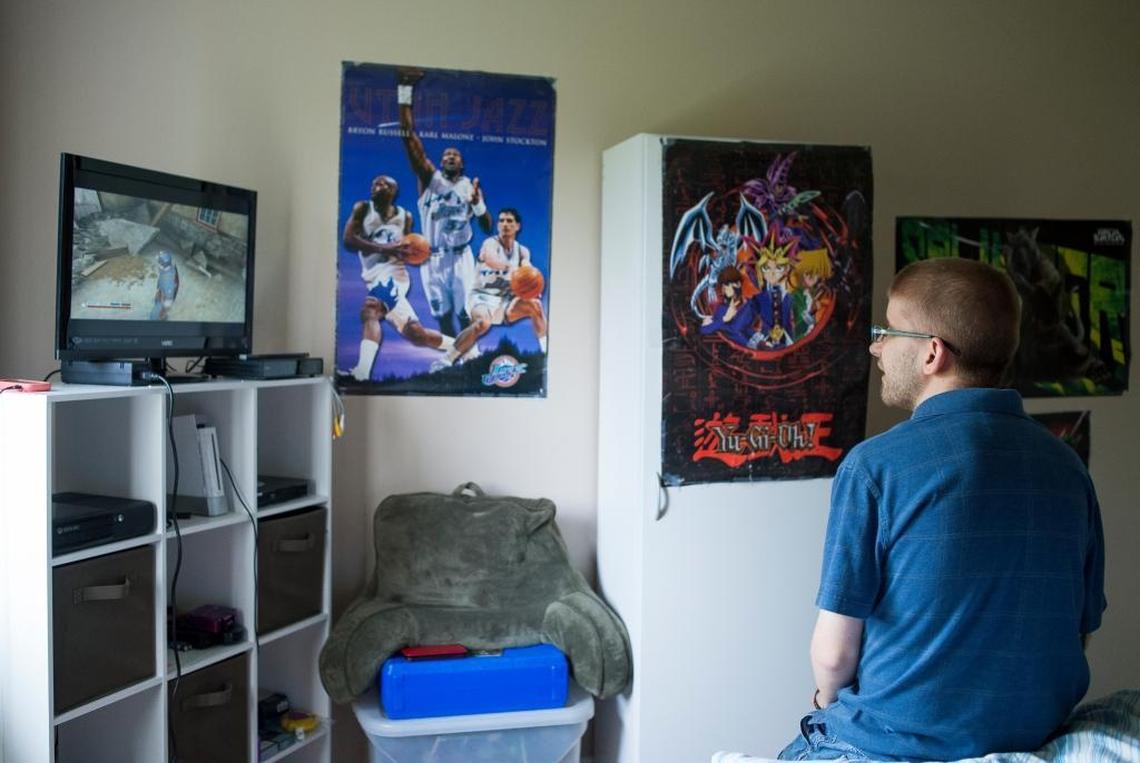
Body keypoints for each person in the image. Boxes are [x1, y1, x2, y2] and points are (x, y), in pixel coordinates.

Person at [779, 257, 1106, 762]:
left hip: (890, 744)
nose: (875, 346)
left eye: (887, 330)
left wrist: (824, 704)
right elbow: (1077, 631)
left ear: (932, 353)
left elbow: (834, 653)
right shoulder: (1068, 467)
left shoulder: (875, 467)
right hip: (1030, 737)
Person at [397, 68, 493, 338]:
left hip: (461, 256)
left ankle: (469, 359)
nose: (450, 156)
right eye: (446, 154)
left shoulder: (469, 188)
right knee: (442, 317)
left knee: (465, 313)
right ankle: (453, 364)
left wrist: (478, 206)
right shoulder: (429, 179)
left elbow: (487, 227)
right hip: (432, 256)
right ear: (440, 162)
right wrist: (404, 93)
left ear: (462, 163)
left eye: (456, 154)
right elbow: (409, 139)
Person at [341, 173, 453, 382]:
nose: (376, 186)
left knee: (371, 310)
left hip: (394, 274)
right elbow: (348, 240)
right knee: (416, 334)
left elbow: (408, 249)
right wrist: (385, 247)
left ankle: (361, 374)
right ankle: (464, 347)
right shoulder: (363, 209)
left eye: (382, 184)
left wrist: (418, 253)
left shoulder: (404, 216)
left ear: (393, 191)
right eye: (374, 183)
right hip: (373, 277)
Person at [430, 208, 547, 371]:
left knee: (535, 305)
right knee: (482, 323)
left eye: (509, 221)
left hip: (504, 302)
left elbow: (527, 267)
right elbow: (492, 260)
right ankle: (445, 361)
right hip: (481, 297)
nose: (504, 224)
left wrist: (532, 283)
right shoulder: (490, 244)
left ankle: (546, 354)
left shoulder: (522, 251)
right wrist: (512, 269)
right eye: (501, 220)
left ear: (518, 226)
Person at [700, 266, 756, 347]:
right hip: (729, 350)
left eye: (726, 284)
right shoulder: (722, 308)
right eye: (722, 285)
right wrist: (724, 319)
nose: (724, 289)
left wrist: (719, 323)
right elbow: (704, 330)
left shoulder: (749, 305)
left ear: (738, 284)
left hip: (750, 346)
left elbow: (735, 330)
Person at [150, 249, 179, 320]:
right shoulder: (168, 269)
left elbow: (169, 299)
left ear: (162, 265)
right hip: (161, 292)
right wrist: (158, 290)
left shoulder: (168, 280)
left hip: (164, 299)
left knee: (153, 316)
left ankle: (163, 318)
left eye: (159, 262)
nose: (157, 264)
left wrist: (163, 310)